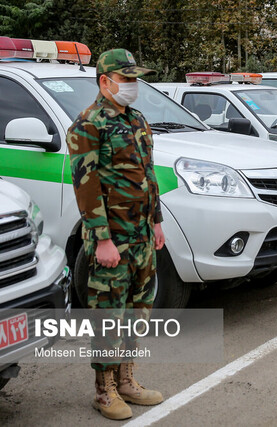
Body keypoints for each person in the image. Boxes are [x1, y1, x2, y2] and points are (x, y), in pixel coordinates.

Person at [66, 48, 165, 420]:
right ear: (105, 81)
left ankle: (126, 380)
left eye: (135, 78)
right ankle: (104, 391)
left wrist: (156, 221)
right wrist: (102, 239)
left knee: (139, 309)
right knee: (109, 312)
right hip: (113, 239)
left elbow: (148, 175)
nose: (133, 85)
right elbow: (86, 187)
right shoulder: (88, 125)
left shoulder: (136, 119)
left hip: (141, 235)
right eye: (126, 79)